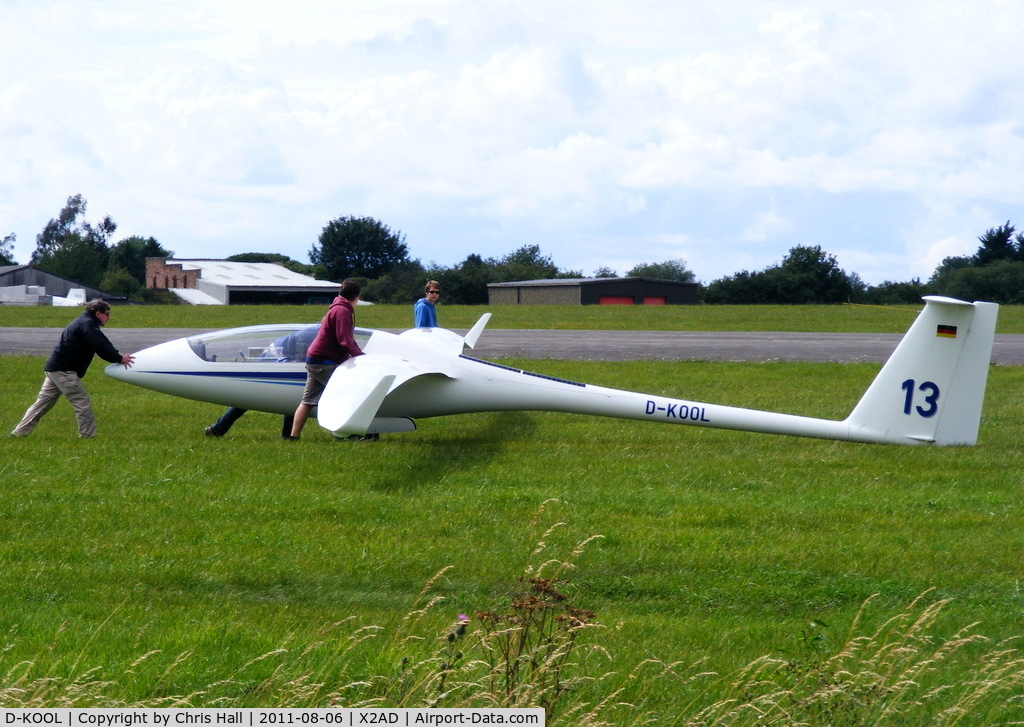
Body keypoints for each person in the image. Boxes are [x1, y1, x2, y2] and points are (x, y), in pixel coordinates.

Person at [11, 299, 134, 439]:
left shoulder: (83, 322)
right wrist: (119, 358)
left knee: (42, 404)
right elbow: (100, 344)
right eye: (107, 314)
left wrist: (115, 357)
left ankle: (18, 433)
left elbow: (99, 343)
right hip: (64, 371)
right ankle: (88, 436)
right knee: (82, 401)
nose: (108, 318)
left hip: (54, 369)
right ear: (98, 313)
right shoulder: (87, 324)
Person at [203, 325, 317, 438]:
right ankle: (217, 429)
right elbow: (277, 349)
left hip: (286, 358)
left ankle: (287, 435)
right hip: (273, 357)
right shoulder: (313, 333)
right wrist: (286, 362)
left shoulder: (319, 331)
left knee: (290, 397)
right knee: (253, 397)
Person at [287, 279, 364, 440]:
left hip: (314, 359)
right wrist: (361, 357)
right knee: (344, 395)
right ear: (357, 295)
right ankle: (344, 434)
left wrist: (353, 352)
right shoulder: (343, 312)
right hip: (324, 361)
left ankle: (293, 437)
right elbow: (345, 340)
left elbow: (343, 339)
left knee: (307, 401)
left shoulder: (335, 308)